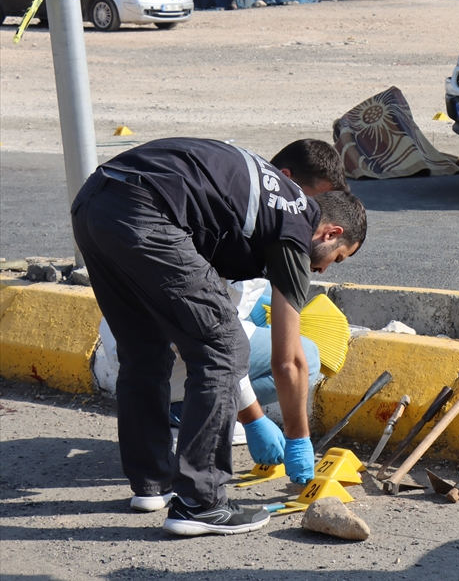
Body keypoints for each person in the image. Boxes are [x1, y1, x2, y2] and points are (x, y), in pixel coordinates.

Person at [72, 138, 368, 536]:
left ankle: (151, 484)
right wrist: (299, 440)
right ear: (331, 233)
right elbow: (289, 359)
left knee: (144, 348)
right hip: (145, 209)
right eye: (339, 257)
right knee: (225, 348)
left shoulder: (249, 200)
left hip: (95, 200)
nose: (329, 270)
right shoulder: (296, 222)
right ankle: (200, 503)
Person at [97, 140, 350, 447]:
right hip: (163, 350)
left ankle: (171, 431)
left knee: (257, 333)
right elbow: (219, 343)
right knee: (305, 356)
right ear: (286, 179)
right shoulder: (255, 235)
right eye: (312, 204)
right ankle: (188, 417)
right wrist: (260, 421)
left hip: (126, 334)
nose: (310, 214)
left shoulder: (235, 194)